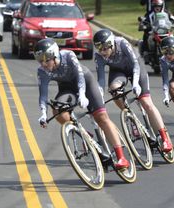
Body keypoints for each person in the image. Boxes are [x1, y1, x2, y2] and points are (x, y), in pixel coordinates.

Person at [34, 38, 129, 170]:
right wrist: (43, 114)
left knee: (101, 118)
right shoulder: (42, 71)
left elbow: (80, 76)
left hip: (86, 83)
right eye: (40, 60)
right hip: (67, 89)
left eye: (46, 59)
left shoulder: (68, 55)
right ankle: (81, 132)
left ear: (55, 54)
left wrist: (83, 95)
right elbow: (43, 94)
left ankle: (121, 157)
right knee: (57, 110)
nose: (43, 64)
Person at [93, 28, 173, 152]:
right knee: (114, 90)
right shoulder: (98, 56)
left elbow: (135, 64)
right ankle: (129, 115)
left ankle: (164, 138)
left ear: (111, 44)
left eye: (104, 48)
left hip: (135, 68)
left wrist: (135, 83)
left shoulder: (121, 43)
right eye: (99, 49)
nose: (102, 52)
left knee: (146, 102)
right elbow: (101, 79)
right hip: (118, 71)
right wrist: (100, 96)